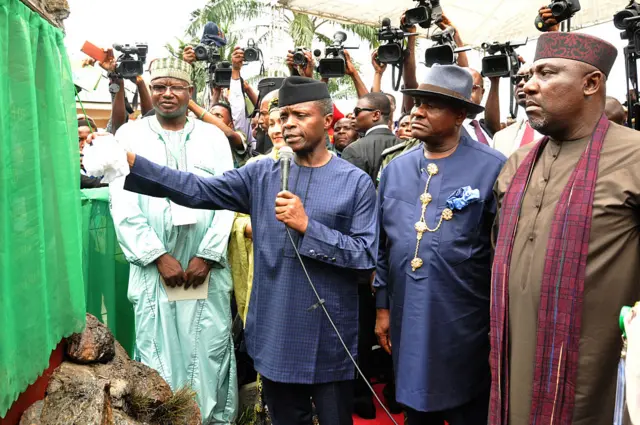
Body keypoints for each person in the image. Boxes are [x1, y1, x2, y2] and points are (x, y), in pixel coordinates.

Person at [103, 76, 378, 425]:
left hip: (328, 333)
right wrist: (130, 161)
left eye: (300, 115)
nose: (289, 124)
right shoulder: (262, 173)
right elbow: (195, 189)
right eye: (284, 115)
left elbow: (365, 256)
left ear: (327, 122)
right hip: (275, 329)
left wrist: (310, 228)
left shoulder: (355, 182)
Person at [491, 32, 640, 425]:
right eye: (526, 75)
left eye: (546, 73)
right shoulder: (517, 162)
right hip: (511, 350)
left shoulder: (636, 155)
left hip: (595, 361)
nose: (528, 86)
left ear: (591, 83)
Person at [108, 57, 237, 423]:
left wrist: (208, 254)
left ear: (190, 92)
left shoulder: (213, 137)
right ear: (150, 88)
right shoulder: (129, 136)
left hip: (205, 268)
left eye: (176, 86)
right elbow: (122, 203)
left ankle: (212, 420)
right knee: (155, 351)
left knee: (210, 347)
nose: (167, 94)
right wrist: (157, 255)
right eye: (160, 86)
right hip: (155, 269)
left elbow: (228, 197)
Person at [375, 64, 506, 425]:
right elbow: (383, 247)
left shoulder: (493, 167)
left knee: (469, 405)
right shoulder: (396, 169)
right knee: (416, 410)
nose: (417, 111)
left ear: (460, 115)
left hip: (465, 318)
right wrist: (383, 307)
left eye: (431, 105)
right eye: (417, 103)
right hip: (407, 314)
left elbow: (504, 254)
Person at [342, 93, 402, 185]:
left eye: (357, 111)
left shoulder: (353, 150)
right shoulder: (407, 147)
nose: (353, 116)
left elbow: (349, 191)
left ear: (376, 115)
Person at [492, 64, 543, 157]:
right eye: (518, 78)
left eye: (528, 77)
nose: (521, 83)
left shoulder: (565, 133)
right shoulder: (499, 138)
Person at [187, 100, 250, 167]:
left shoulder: (240, 136)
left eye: (218, 116)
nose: (211, 119)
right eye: (210, 115)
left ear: (230, 125)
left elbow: (229, 134)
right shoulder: (200, 138)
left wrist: (191, 104)